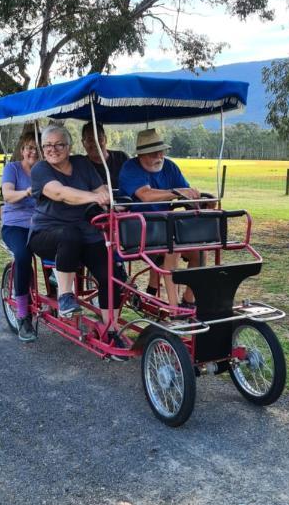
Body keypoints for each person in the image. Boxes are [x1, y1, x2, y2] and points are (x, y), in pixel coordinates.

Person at [28, 124, 126, 354]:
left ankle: (110, 330)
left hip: (85, 232)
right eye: (47, 145)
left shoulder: (82, 163)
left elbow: (101, 187)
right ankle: (65, 297)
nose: (53, 149)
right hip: (47, 233)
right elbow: (60, 193)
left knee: (110, 275)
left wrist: (109, 200)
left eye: (59, 144)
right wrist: (94, 196)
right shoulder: (41, 169)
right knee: (69, 235)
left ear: (69, 146)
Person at [118, 128, 202, 307]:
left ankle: (189, 301)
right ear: (141, 154)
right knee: (172, 248)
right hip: (137, 229)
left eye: (161, 150)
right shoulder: (130, 168)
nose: (159, 155)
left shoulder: (170, 166)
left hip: (165, 226)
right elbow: (146, 195)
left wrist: (200, 201)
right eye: (153, 152)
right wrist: (176, 192)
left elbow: (184, 193)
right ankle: (173, 310)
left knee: (199, 252)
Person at [1, 133, 39, 342]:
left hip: (41, 225)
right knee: (23, 257)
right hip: (14, 225)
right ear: (23, 150)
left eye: (36, 148)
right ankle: (24, 316)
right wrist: (26, 192)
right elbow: (7, 195)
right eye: (29, 148)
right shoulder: (12, 169)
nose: (33, 152)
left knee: (68, 244)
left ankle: (57, 293)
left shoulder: (45, 171)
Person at [81, 121, 129, 189]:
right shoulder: (81, 165)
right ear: (83, 143)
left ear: (105, 139)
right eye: (90, 140)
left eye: (99, 139)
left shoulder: (121, 158)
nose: (95, 143)